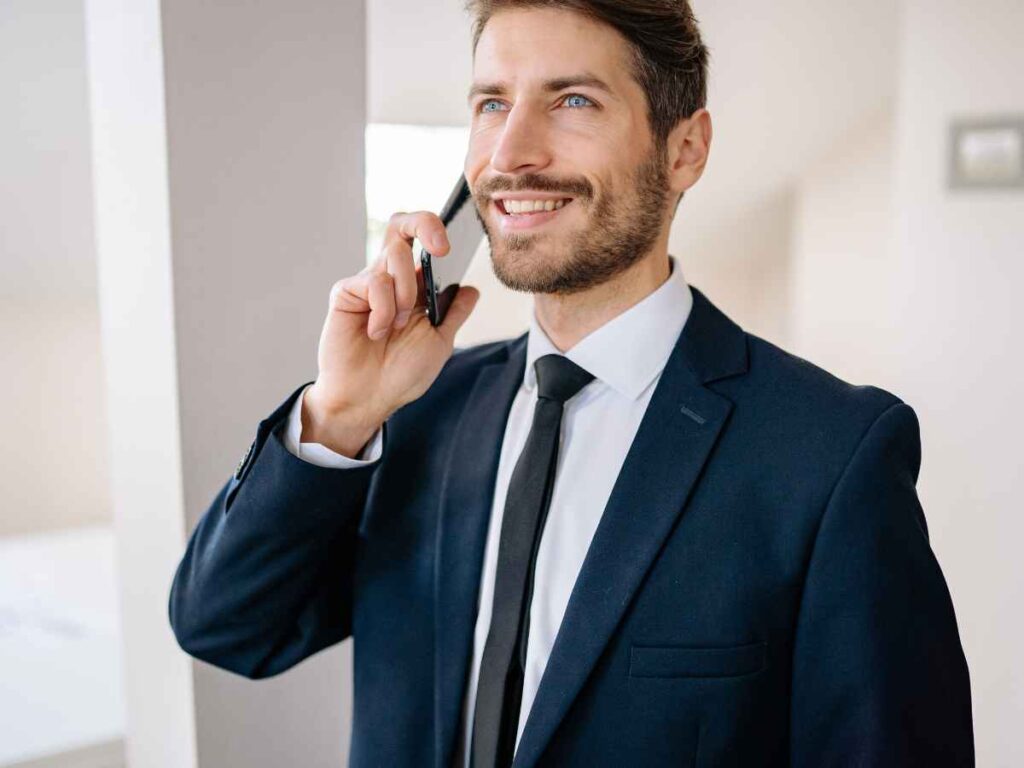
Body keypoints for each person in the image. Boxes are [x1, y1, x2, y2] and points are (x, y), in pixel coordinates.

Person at [168, 1, 974, 766]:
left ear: (685, 149)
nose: (509, 153)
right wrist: (342, 411)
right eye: (492, 104)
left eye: (574, 101)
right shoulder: (413, 413)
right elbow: (226, 627)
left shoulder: (829, 456)